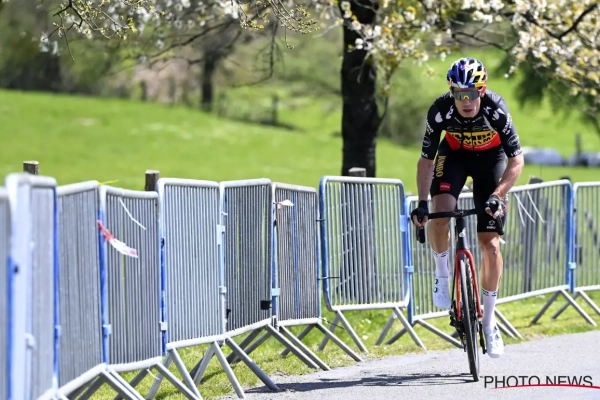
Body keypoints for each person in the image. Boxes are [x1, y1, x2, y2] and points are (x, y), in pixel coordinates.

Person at [410, 57, 525, 358]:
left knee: (491, 246)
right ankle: (442, 275)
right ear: (452, 91)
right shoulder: (440, 111)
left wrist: (498, 195)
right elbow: (426, 161)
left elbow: (516, 161)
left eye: (472, 93)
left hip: (491, 160)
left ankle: (489, 323)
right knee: (440, 214)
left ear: (482, 91)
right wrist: (422, 203)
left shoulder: (496, 109)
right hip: (455, 157)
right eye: (460, 94)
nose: (466, 101)